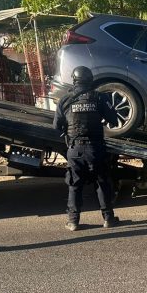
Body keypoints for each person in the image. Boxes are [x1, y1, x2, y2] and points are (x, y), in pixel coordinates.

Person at [53, 66, 120, 231]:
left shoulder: (65, 99)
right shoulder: (99, 97)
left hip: (75, 150)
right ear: (90, 80)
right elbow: (113, 119)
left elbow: (56, 126)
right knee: (102, 182)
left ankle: (73, 221)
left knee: (74, 185)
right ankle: (108, 219)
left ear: (74, 80)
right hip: (96, 148)